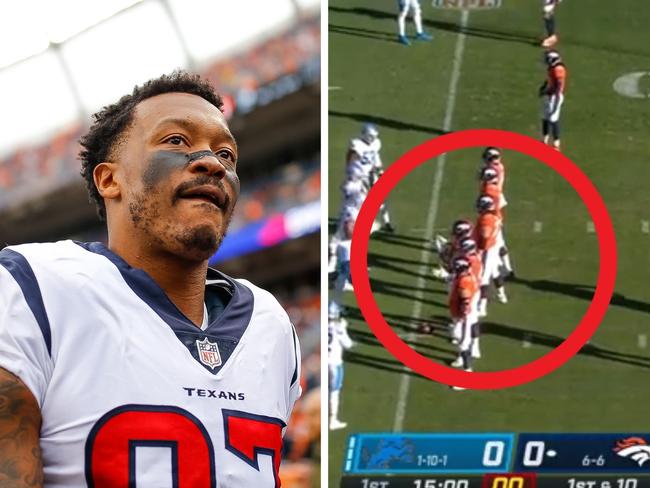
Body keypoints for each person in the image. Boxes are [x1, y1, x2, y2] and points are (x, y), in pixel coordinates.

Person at [0, 71, 301, 486]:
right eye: (176, 141)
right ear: (109, 179)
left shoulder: (272, 323)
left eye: (227, 154)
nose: (213, 162)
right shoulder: (30, 287)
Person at [347, 123, 394, 232]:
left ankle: (387, 223)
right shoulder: (356, 144)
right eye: (371, 136)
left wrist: (380, 170)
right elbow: (351, 159)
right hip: (360, 177)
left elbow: (376, 156)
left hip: (372, 174)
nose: (373, 139)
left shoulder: (376, 143)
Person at [328, 303, 353, 430]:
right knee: (334, 392)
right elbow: (348, 344)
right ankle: (333, 420)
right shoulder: (338, 328)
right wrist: (343, 328)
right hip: (335, 363)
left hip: (326, 362)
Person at [539, 50, 567, 151]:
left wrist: (556, 98)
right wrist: (544, 88)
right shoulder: (552, 67)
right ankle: (544, 140)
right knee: (545, 117)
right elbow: (550, 80)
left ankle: (556, 143)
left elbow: (558, 85)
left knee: (553, 119)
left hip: (554, 96)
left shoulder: (558, 69)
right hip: (550, 95)